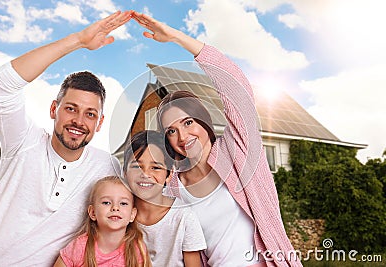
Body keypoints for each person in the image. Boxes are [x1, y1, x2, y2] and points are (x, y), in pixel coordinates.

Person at [132, 12, 302, 267]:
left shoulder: (237, 149)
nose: (183, 136)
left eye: (188, 122)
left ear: (203, 121)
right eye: (171, 130)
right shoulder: (173, 187)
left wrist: (176, 36)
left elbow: (236, 87)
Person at [0, 10, 133, 266]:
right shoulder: (23, 141)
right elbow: (4, 82)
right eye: (71, 108)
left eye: (90, 114)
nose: (78, 121)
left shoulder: (109, 168)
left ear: (99, 123)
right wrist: (78, 40)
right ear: (54, 109)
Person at [123, 130, 206, 267]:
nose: (145, 174)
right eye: (137, 166)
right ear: (125, 172)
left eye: (155, 167)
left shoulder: (183, 217)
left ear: (169, 174)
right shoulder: (120, 214)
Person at [53, 176, 152, 267]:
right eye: (106, 202)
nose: (115, 208)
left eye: (123, 203)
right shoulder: (80, 247)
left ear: (132, 214)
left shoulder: (137, 249)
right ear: (92, 212)